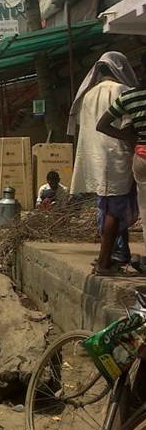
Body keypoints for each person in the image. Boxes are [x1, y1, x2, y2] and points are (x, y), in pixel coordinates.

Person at [70, 52, 138, 274]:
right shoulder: (122, 91)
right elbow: (129, 127)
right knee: (116, 211)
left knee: (106, 207)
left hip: (95, 159)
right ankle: (104, 261)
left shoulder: (88, 95)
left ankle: (117, 253)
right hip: (117, 157)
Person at [99, 68, 146, 272]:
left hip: (142, 156)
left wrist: (127, 137)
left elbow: (102, 125)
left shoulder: (129, 96)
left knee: (145, 209)